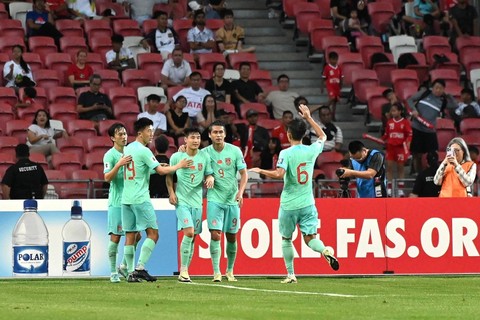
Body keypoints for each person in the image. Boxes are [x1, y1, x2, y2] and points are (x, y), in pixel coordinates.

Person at [249, 104, 339, 283]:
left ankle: (291, 274)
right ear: (305, 135)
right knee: (310, 238)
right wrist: (308, 117)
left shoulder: (286, 153)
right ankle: (324, 250)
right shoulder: (312, 149)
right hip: (307, 203)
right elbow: (323, 136)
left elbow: (279, 174)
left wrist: (260, 169)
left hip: (289, 204)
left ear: (289, 135)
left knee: (286, 238)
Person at [121, 117, 192, 282]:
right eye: (149, 131)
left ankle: (128, 270)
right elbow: (160, 171)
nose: (151, 134)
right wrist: (177, 166)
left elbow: (140, 170)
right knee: (153, 234)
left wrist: (162, 168)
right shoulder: (144, 150)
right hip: (140, 198)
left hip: (126, 199)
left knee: (131, 235)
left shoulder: (128, 148)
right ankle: (139, 268)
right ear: (140, 133)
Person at [167, 127, 214, 282]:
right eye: (192, 137)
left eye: (198, 137)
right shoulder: (176, 157)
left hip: (197, 202)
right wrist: (172, 193)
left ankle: (186, 270)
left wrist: (210, 178)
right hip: (182, 201)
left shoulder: (204, 157)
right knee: (189, 232)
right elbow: (169, 176)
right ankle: (183, 271)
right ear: (185, 140)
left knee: (193, 237)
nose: (196, 140)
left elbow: (208, 173)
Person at [202, 120, 248, 282]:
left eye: (221, 132)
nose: (218, 135)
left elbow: (244, 174)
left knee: (231, 236)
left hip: (232, 200)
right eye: (215, 132)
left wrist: (241, 193)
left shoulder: (235, 151)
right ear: (209, 135)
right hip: (215, 198)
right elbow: (193, 159)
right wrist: (208, 176)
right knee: (215, 234)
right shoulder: (205, 153)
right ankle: (216, 272)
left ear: (225, 134)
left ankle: (230, 270)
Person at [103, 123, 135, 283]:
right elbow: (107, 178)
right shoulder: (110, 155)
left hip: (132, 201)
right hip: (117, 202)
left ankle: (124, 267)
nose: (124, 137)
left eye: (125, 134)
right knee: (116, 237)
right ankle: (112, 272)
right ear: (112, 138)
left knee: (135, 235)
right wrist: (119, 164)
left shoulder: (131, 152)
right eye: (120, 134)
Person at [407, 79, 457, 173]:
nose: (438, 90)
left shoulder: (443, 101)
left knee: (433, 154)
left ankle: (431, 173)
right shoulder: (424, 93)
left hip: (430, 131)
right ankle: (418, 173)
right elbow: (410, 100)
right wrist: (414, 110)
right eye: (436, 88)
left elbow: (455, 105)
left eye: (441, 89)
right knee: (417, 154)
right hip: (417, 128)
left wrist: (448, 95)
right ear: (432, 88)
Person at [382, 103, 412, 197]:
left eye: (395, 110)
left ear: (400, 111)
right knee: (389, 167)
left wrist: (407, 144)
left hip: (400, 148)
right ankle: (390, 188)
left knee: (400, 168)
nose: (393, 112)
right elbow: (386, 134)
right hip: (391, 148)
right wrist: (382, 139)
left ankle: (400, 189)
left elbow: (409, 134)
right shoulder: (389, 122)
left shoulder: (405, 122)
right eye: (392, 111)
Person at [322, 51, 343, 121]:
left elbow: (341, 77)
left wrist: (341, 86)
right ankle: (324, 108)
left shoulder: (339, 68)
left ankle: (333, 115)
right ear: (329, 59)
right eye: (333, 59)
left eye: (335, 59)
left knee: (335, 102)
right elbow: (324, 77)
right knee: (332, 98)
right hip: (330, 86)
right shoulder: (327, 67)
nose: (334, 61)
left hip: (337, 86)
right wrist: (322, 87)